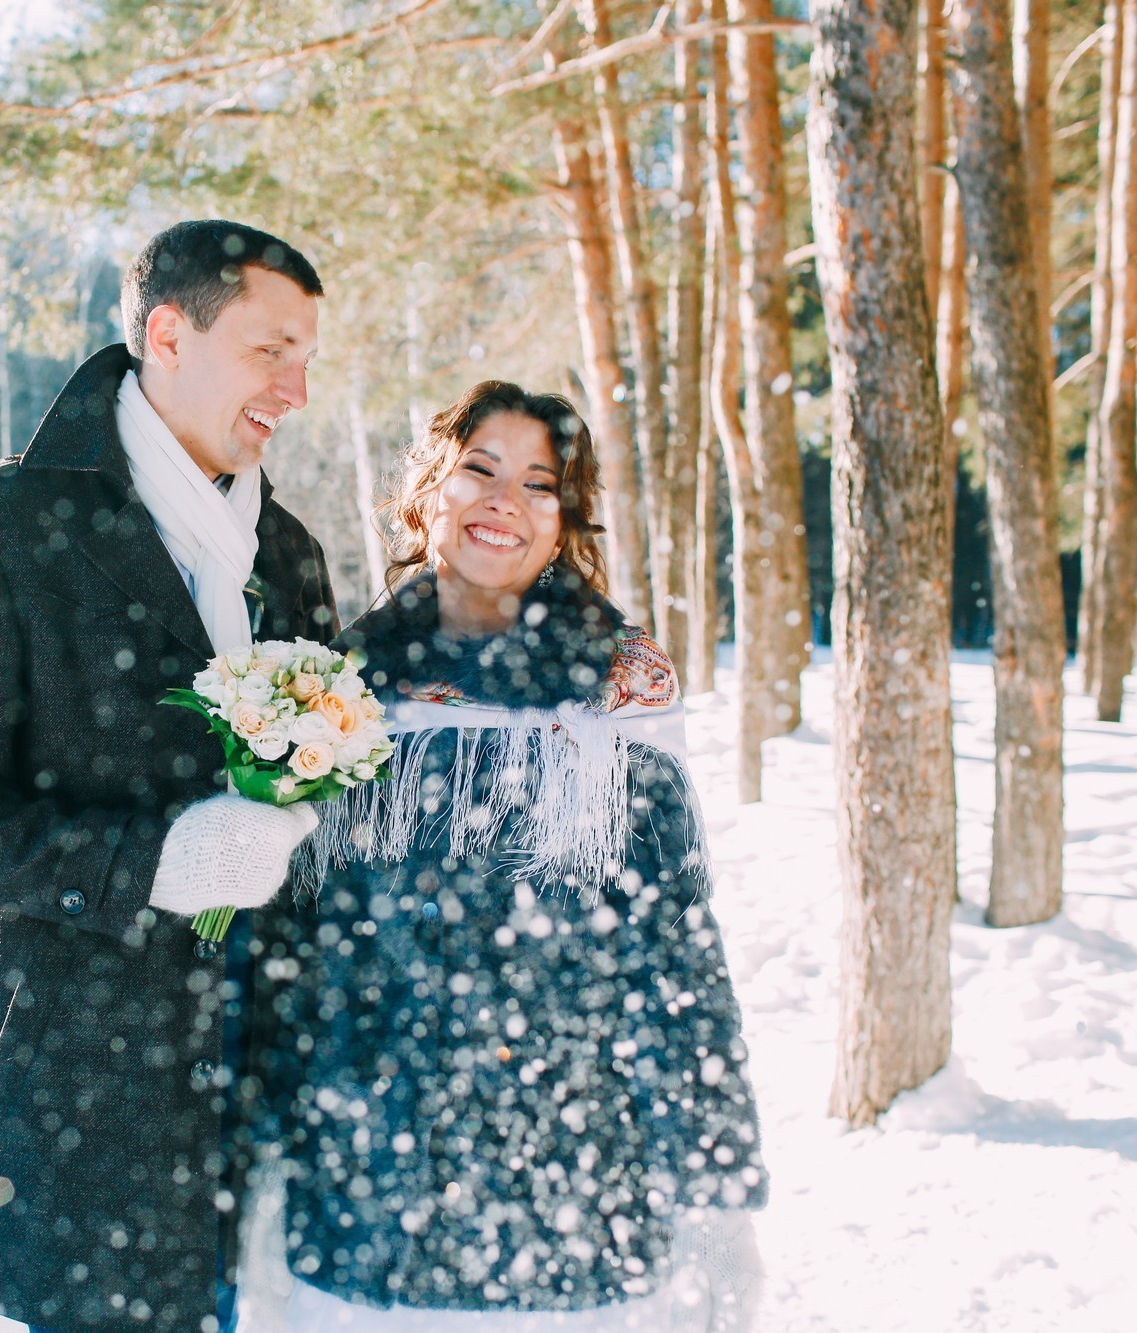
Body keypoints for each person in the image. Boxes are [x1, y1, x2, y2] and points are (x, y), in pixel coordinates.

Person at [0, 220, 338, 1333]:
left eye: (308, 355)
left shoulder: (289, 554)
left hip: (259, 1093)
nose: (298, 387)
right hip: (84, 1101)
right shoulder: (0, 520)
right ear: (169, 333)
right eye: (272, 349)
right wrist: (151, 863)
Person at [247, 382, 768, 1332]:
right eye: (480, 470)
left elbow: (676, 951)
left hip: (578, 1203)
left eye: (540, 484)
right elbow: (294, 952)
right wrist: (261, 1165)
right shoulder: (335, 685)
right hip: (364, 1201)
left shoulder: (624, 682)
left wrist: (716, 1191)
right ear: (425, 492)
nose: (506, 501)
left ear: (564, 521)